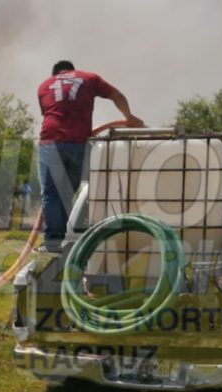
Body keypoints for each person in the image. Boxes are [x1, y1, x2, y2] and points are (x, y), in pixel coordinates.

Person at [37, 60, 144, 252]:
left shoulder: (44, 85)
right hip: (79, 142)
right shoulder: (89, 78)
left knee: (52, 195)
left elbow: (50, 113)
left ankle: (53, 243)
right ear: (72, 70)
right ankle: (67, 238)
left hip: (51, 141)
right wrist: (129, 117)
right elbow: (117, 95)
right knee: (71, 192)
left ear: (55, 73)